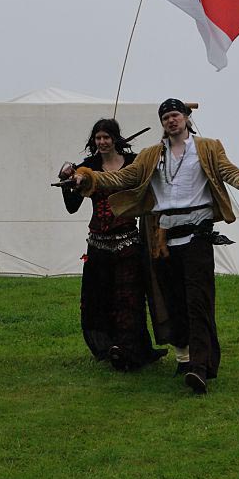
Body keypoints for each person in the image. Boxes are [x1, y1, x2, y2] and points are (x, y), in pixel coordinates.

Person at [71, 98, 239, 394]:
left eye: (175, 115)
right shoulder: (152, 156)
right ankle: (184, 358)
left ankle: (199, 369)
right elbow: (121, 177)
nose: (171, 120)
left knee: (198, 301)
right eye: (166, 117)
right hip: (163, 238)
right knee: (172, 301)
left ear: (186, 118)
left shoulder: (208, 148)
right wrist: (86, 176)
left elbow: (230, 173)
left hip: (197, 236)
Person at [59, 119, 167, 371]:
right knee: (99, 298)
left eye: (106, 137)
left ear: (116, 138)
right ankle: (108, 346)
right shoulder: (88, 167)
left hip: (128, 240)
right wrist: (66, 180)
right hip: (97, 242)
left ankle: (128, 348)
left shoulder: (133, 163)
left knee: (128, 298)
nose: (102, 142)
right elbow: (72, 207)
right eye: (98, 138)